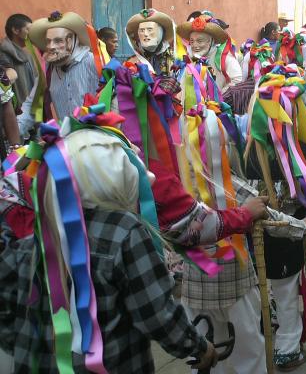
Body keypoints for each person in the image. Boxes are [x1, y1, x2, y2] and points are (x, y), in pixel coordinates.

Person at [0, 125, 219, 372]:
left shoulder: (37, 239)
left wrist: (24, 346)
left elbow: (6, 309)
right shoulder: (125, 232)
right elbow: (156, 312)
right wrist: (198, 347)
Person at [18, 11, 99, 132]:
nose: (50, 46)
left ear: (71, 40)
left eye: (58, 41)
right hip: (66, 143)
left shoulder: (94, 63)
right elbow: (33, 106)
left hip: (97, 140)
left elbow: (114, 101)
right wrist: (13, 130)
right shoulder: (48, 70)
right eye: (48, 41)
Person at [176, 14, 242, 93]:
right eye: (192, 41)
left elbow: (237, 79)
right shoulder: (192, 60)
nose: (194, 45)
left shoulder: (224, 58)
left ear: (211, 41)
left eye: (200, 41)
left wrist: (220, 99)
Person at [0, 14, 37, 109]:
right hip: (15, 114)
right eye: (28, 29)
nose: (32, 34)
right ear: (16, 30)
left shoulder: (28, 56)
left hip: (32, 111)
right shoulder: (3, 53)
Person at [126, 8, 175, 76]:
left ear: (161, 33)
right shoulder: (133, 62)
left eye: (150, 30)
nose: (145, 34)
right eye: (142, 30)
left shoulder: (174, 58)